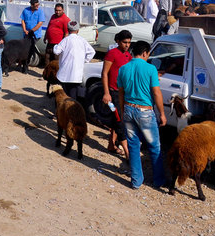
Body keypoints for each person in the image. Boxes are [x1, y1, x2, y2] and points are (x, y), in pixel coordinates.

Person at [118, 40, 166, 189]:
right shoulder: (151, 69)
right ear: (145, 53)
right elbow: (156, 93)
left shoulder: (123, 69)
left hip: (128, 109)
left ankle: (136, 181)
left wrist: (122, 110)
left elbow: (121, 94)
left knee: (133, 146)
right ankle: (158, 181)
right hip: (145, 111)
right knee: (154, 146)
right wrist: (162, 113)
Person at [101, 30, 132, 159]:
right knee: (119, 120)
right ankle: (127, 153)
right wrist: (106, 93)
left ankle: (111, 145)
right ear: (118, 41)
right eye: (125, 42)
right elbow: (104, 74)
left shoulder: (128, 56)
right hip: (113, 93)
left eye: (129, 43)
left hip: (123, 94)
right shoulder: (112, 54)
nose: (127, 45)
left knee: (117, 119)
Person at [53, 21, 95, 99]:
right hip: (76, 75)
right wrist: (85, 61)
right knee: (73, 97)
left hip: (64, 74)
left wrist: (55, 46)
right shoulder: (82, 40)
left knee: (63, 97)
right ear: (78, 30)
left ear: (68, 30)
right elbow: (92, 52)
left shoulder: (65, 40)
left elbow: (56, 51)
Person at [20, 0, 45, 64]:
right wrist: (25, 30)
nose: (38, 6)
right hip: (26, 34)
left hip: (35, 35)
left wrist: (31, 31)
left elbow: (40, 23)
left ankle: (26, 63)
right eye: (36, 5)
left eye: (38, 5)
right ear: (32, 5)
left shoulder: (40, 11)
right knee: (24, 49)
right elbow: (23, 20)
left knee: (30, 49)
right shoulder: (26, 10)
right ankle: (22, 63)